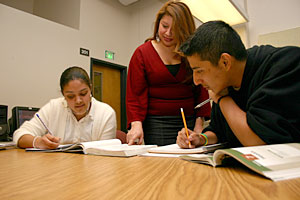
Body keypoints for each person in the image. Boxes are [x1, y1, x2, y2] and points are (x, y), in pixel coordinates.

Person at [177, 20, 300, 149]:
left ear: (225, 62)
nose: (196, 81)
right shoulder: (225, 81)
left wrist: (223, 99)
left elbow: (258, 142)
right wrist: (202, 138)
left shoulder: (284, 66)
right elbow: (218, 131)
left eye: (199, 71)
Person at [126, 1, 211, 146]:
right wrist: (136, 125)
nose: (168, 33)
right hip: (156, 125)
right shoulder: (142, 53)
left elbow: (201, 91)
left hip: (189, 123)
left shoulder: (192, 54)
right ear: (158, 24)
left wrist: (199, 125)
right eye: (164, 26)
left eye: (175, 29)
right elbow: (135, 96)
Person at [13, 66, 117, 149]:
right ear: (63, 95)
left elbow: (105, 154)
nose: (78, 101)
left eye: (83, 93)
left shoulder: (106, 113)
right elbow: (19, 135)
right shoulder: (53, 107)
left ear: (90, 88)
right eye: (70, 96)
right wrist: (38, 142)